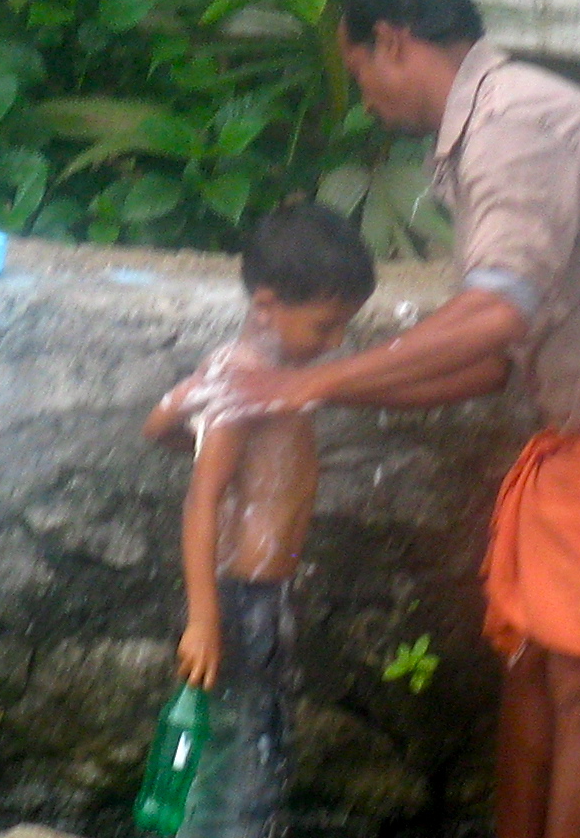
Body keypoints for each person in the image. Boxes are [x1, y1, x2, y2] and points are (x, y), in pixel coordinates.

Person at [166, 0, 580, 838]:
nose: (365, 98)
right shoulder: (485, 128)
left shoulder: (512, 125)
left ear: (393, 41)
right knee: (529, 658)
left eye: (360, 72)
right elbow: (490, 365)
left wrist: (310, 379)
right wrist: (308, 396)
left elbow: (493, 317)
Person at [143, 202, 377, 838]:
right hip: (236, 600)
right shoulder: (245, 383)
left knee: (243, 741)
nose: (336, 344)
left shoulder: (249, 375)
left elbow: (157, 424)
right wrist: (203, 617)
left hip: (252, 596)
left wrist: (190, 415)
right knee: (244, 755)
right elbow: (203, 499)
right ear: (267, 305)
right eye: (326, 326)